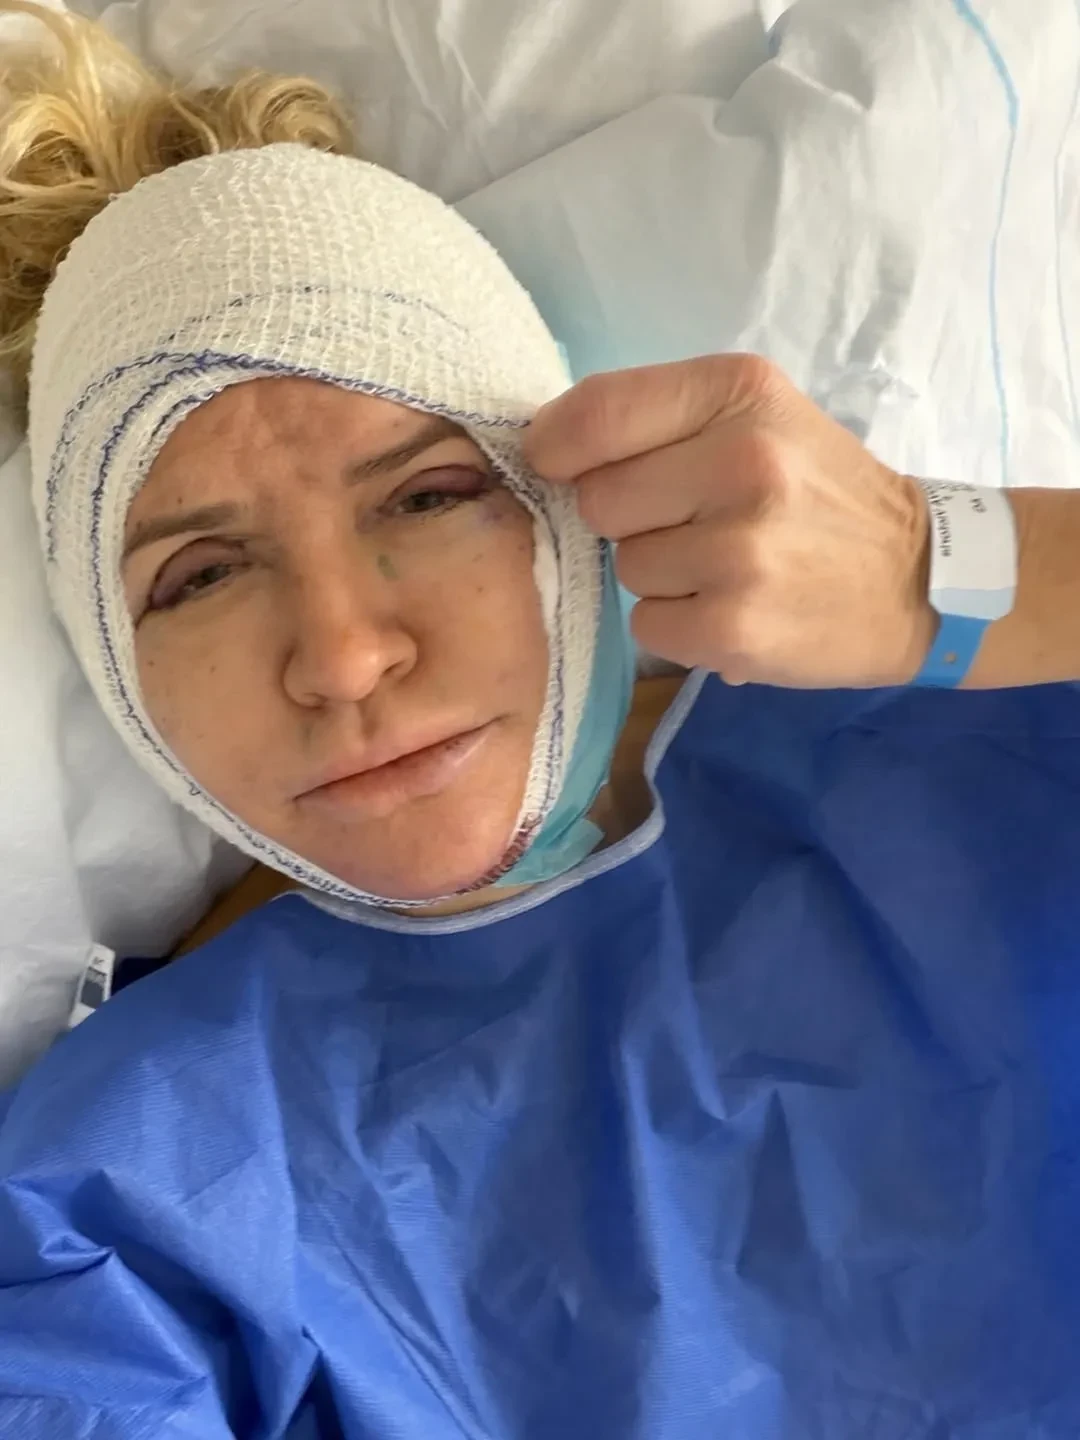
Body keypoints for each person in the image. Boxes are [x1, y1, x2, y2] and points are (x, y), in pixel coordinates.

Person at [1, 4, 1080, 1438]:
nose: (344, 655)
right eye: (197, 577)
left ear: (568, 493)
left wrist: (953, 567)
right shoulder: (135, 1196)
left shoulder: (990, 731)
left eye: (427, 494)